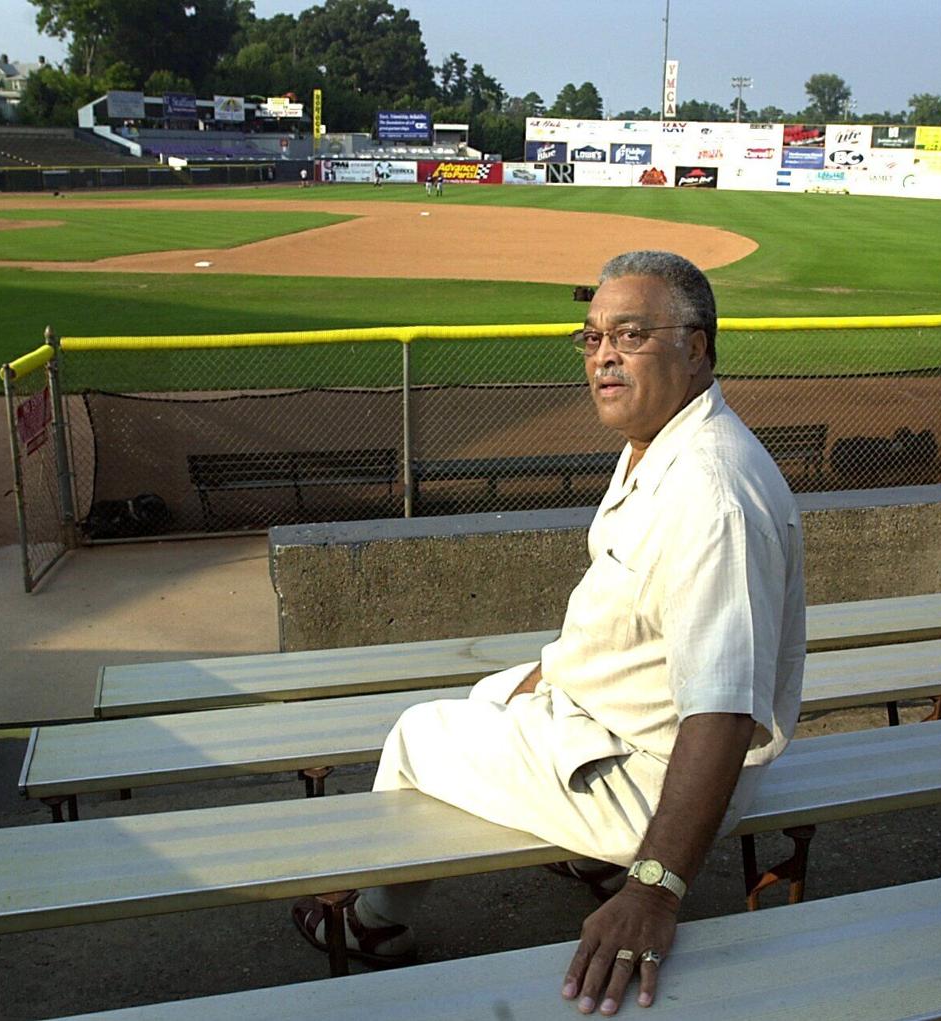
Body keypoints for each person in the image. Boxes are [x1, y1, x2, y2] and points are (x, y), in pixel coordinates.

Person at [292, 250, 806, 1016]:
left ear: (695, 347)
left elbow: (723, 715)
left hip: (651, 779)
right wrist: (532, 688)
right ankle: (587, 859)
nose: (603, 354)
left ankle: (376, 923)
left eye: (630, 335)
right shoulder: (664, 438)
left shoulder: (709, 493)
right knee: (492, 694)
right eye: (593, 336)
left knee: (418, 733)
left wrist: (656, 889)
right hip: (619, 722)